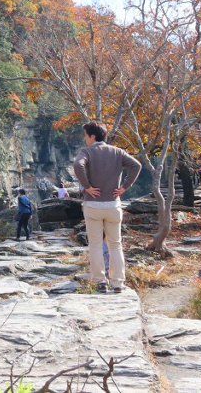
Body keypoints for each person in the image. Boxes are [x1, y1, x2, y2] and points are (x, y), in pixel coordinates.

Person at [72, 120, 142, 293]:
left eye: (86, 136)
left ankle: (100, 282)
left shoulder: (86, 151)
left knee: (95, 245)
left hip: (93, 206)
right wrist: (125, 187)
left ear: (92, 136)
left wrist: (87, 186)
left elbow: (77, 165)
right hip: (113, 205)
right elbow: (136, 165)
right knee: (115, 245)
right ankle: (118, 283)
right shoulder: (117, 152)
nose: (85, 139)